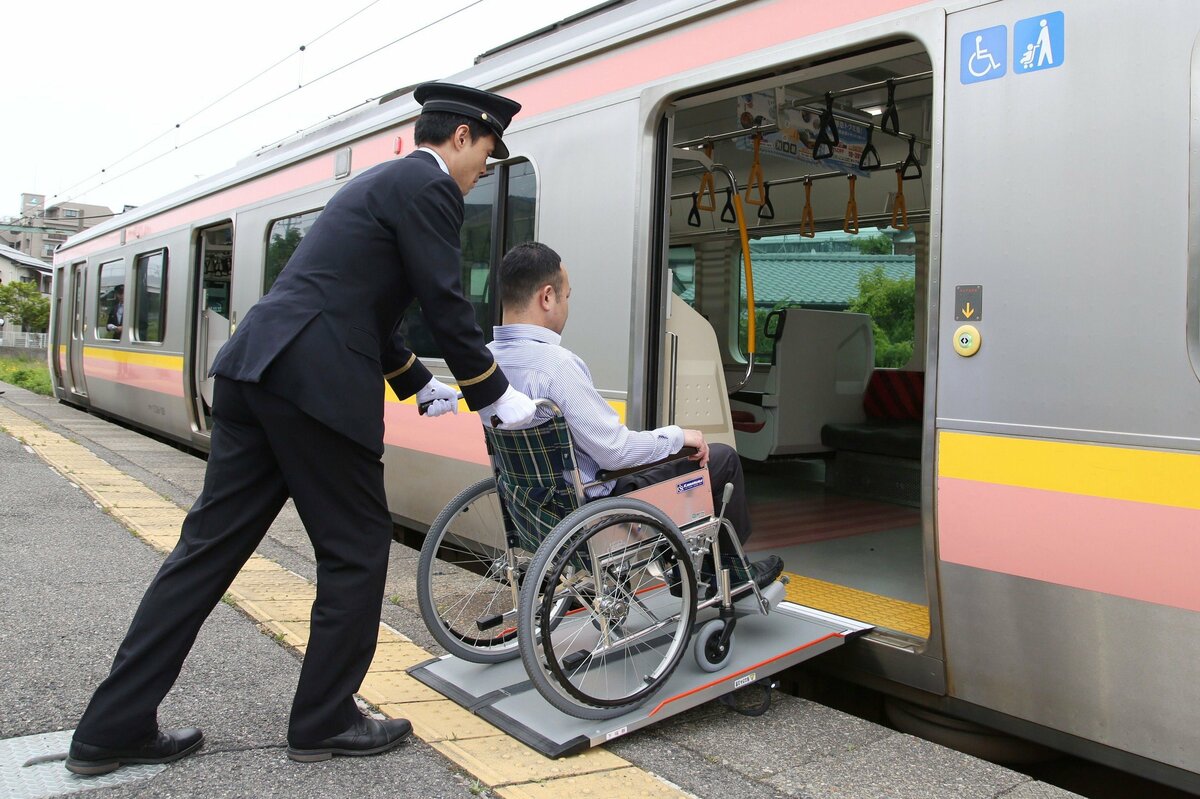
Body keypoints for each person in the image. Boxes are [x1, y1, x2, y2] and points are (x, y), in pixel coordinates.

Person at [66, 82, 538, 775]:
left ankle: (111, 727)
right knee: (356, 547)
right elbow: (442, 298)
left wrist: (415, 382)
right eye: (488, 155)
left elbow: (347, 296)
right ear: (464, 136)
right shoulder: (428, 185)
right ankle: (324, 718)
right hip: (314, 390)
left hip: (256, 371)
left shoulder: (378, 185)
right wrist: (492, 393)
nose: (482, 173)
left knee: (204, 553)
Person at [488, 241, 784, 595]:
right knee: (720, 459)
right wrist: (679, 436)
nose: (567, 307)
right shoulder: (558, 366)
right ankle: (733, 576)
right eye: (567, 297)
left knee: (662, 463)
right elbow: (616, 454)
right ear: (547, 297)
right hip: (595, 512)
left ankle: (683, 570)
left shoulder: (487, 361)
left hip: (532, 508)